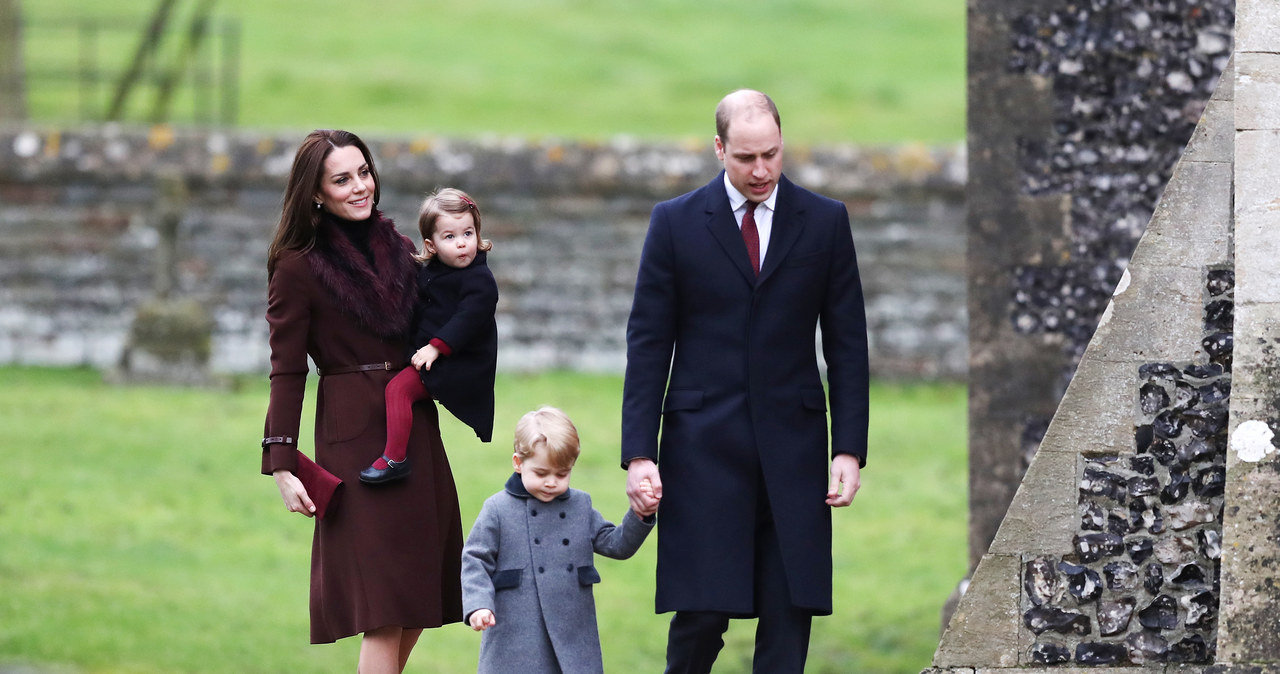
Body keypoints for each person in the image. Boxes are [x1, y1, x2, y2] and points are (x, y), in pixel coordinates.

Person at [621, 89, 870, 673]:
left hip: (795, 451)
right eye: (745, 158)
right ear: (718, 149)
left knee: (790, 616)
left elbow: (848, 344)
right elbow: (648, 343)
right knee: (700, 617)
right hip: (701, 451)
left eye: (772, 155)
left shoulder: (826, 221)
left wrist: (849, 448)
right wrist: (639, 453)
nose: (761, 171)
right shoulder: (674, 223)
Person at [261, 129, 464, 673]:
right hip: (353, 439)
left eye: (364, 173)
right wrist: (281, 462)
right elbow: (286, 369)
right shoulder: (296, 266)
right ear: (316, 194)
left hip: (414, 426)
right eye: (342, 179)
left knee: (422, 593)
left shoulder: (399, 247)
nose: (359, 187)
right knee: (383, 606)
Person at [462, 406, 656, 674]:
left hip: (573, 633)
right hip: (516, 634)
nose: (552, 482)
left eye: (562, 473)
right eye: (541, 473)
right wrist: (478, 604)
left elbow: (616, 544)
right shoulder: (497, 509)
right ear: (518, 463)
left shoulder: (580, 505)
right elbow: (474, 559)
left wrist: (640, 514)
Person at [360, 187, 499, 485]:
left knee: (399, 390)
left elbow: (467, 320)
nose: (462, 244)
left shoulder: (480, 280)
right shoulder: (430, 272)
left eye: (468, 233)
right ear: (431, 244)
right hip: (431, 354)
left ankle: (395, 459)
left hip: (460, 364)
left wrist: (435, 348)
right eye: (450, 237)